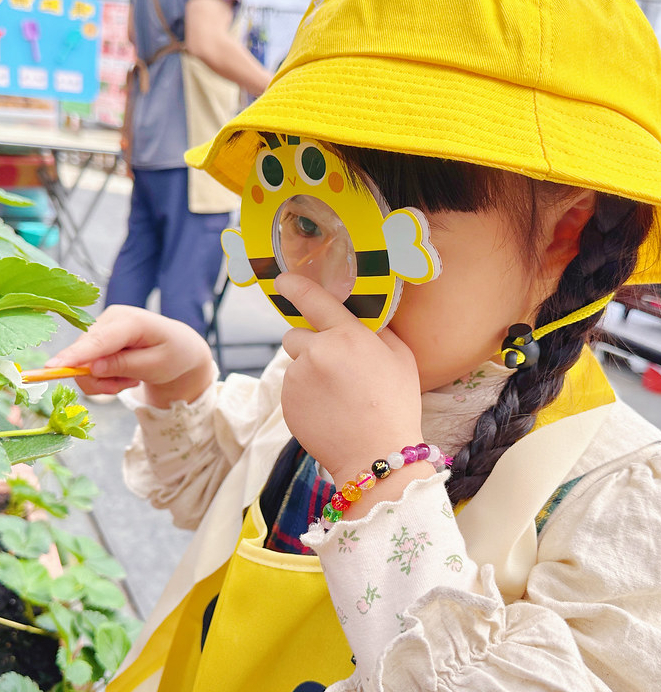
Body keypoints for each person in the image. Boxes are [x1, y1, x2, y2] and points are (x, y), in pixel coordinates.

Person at [47, 0, 661, 689]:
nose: (319, 282)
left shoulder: (611, 499)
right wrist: (182, 380)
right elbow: (220, 502)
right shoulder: (311, 377)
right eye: (305, 223)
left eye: (378, 240)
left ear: (563, 236)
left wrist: (384, 479)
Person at [106, 0, 272, 336]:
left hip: (150, 135)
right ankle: (178, 385)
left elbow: (132, 33)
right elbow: (205, 39)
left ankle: (102, 367)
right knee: (186, 276)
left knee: (138, 257)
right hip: (192, 141)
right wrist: (277, 88)